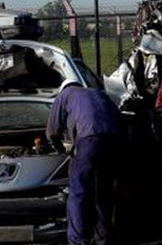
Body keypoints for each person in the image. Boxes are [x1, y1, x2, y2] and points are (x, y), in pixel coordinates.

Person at [46, 79, 123, 245]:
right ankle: (103, 238)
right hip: (114, 139)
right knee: (103, 191)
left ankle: (77, 240)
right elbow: (119, 117)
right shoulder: (98, 93)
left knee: (78, 191)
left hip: (89, 139)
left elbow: (52, 130)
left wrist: (59, 148)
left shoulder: (65, 95)